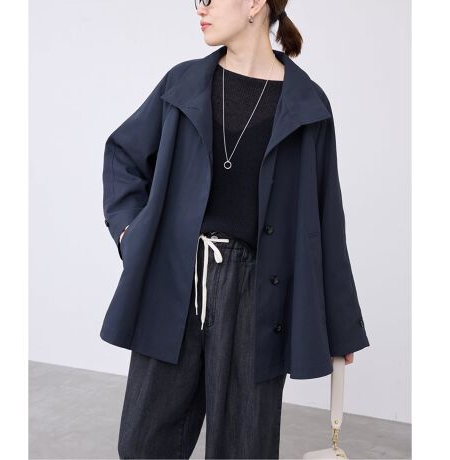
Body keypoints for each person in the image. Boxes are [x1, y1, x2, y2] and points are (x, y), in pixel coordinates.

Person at [102, 1, 370, 458]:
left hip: (258, 295)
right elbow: (124, 156)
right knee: (144, 444)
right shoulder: (182, 83)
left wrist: (341, 326)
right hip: (176, 282)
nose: (200, 8)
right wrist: (131, 233)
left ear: (254, 4)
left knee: (245, 446)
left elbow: (327, 217)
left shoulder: (307, 104)